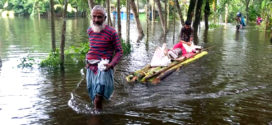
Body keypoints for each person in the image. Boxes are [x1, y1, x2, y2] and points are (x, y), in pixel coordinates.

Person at [86, 5, 123, 112]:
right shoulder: (90, 31)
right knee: (93, 96)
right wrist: (88, 60)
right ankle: (100, 110)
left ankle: (97, 118)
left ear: (105, 18)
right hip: (91, 67)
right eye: (94, 17)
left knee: (97, 99)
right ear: (91, 17)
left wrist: (111, 65)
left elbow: (119, 51)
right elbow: (93, 48)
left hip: (104, 67)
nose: (96, 20)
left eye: (99, 17)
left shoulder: (112, 32)